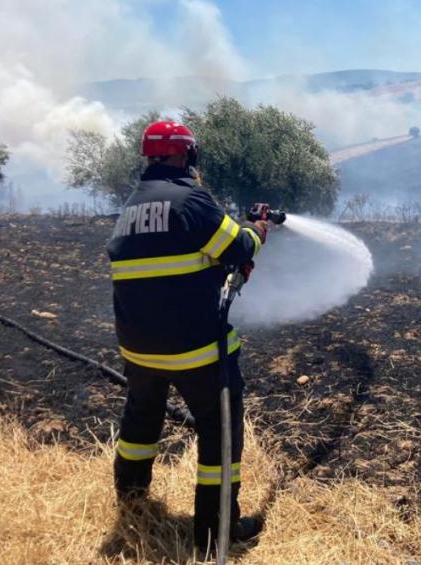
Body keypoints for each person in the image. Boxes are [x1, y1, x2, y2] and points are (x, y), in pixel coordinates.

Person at [106, 120, 267, 550]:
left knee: (140, 424)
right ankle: (217, 532)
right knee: (219, 434)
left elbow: (168, 262)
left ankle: (133, 503)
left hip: (139, 351)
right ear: (186, 154)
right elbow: (239, 247)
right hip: (195, 350)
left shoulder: (130, 208)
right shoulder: (190, 198)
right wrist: (257, 229)